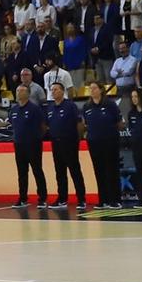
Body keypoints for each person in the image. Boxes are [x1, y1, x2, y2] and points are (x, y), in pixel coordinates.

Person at [7, 78, 48, 208]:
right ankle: (23, 197)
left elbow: (43, 126)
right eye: (18, 90)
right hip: (19, 145)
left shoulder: (34, 109)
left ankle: (42, 198)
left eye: (22, 90)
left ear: (28, 93)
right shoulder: (13, 110)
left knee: (37, 170)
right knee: (22, 172)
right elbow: (12, 125)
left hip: (33, 144)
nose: (19, 92)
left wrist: (36, 138)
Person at [45, 82, 86, 210]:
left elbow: (79, 123)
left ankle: (81, 199)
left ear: (63, 91)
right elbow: (47, 125)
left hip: (70, 142)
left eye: (56, 89)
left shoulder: (70, 106)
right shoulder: (50, 108)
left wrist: (78, 140)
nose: (53, 92)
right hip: (56, 143)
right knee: (60, 172)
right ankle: (62, 199)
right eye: (52, 90)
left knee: (75, 171)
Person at [82, 82, 123, 209]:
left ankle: (115, 199)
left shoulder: (110, 104)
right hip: (94, 142)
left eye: (94, 88)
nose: (92, 90)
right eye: (90, 89)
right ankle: (102, 199)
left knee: (112, 170)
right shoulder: (86, 106)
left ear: (101, 90)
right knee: (98, 171)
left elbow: (119, 123)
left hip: (110, 141)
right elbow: (86, 125)